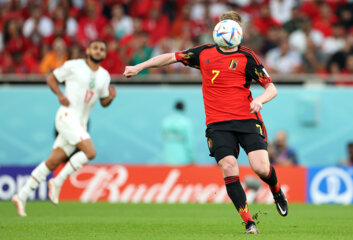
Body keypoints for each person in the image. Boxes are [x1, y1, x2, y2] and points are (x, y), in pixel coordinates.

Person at [124, 10, 288, 234]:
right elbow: (171, 56)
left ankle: (276, 190)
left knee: (260, 167)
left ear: (238, 31)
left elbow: (272, 88)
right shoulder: (203, 53)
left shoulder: (247, 57)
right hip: (218, 124)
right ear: (218, 29)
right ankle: (249, 222)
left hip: (247, 119)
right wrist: (139, 66)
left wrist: (259, 100)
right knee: (228, 166)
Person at [12, 40, 117, 217]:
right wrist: (60, 95)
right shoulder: (74, 66)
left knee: (52, 162)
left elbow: (104, 102)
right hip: (66, 116)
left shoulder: (104, 76)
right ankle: (59, 181)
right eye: (95, 48)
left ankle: (21, 196)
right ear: (88, 50)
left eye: (102, 49)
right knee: (91, 152)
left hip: (81, 123)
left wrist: (111, 97)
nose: (98, 51)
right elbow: (51, 78)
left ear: (105, 54)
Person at [162, 101, 194, 165]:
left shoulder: (166, 121)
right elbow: (189, 141)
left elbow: (163, 136)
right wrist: (192, 158)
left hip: (168, 157)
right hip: (183, 158)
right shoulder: (185, 122)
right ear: (183, 108)